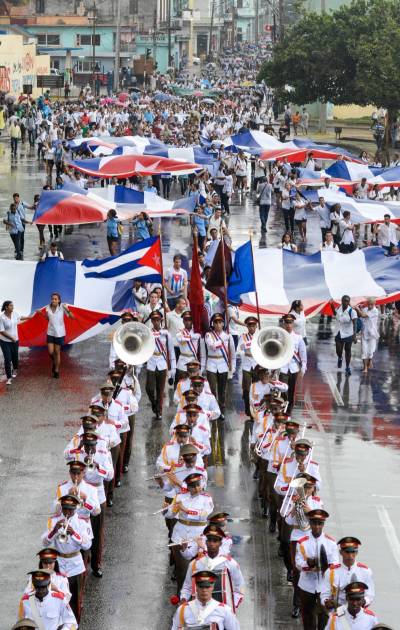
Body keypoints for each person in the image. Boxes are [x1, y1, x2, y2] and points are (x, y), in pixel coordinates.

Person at [41, 494, 91, 621]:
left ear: (75, 508)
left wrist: (74, 533)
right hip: (59, 564)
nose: (67, 512)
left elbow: (87, 545)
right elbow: (45, 543)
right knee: (58, 598)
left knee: (75, 599)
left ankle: (75, 624)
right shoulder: (54, 520)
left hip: (76, 565)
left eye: (70, 509)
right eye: (65, 509)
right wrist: (54, 531)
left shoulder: (82, 521)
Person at [295, 509, 339, 630]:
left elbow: (335, 564)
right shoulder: (302, 542)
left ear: (323, 524)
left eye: (320, 523)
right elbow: (298, 563)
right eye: (314, 523)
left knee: (324, 616)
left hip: (324, 586)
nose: (317, 526)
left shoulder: (331, 542)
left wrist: (326, 566)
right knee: (308, 615)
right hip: (307, 585)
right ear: (310, 523)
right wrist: (308, 564)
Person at [172, 570, 239, 629]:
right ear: (196, 587)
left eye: (207, 587)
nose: (204, 590)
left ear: (212, 587)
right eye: (201, 586)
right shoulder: (183, 610)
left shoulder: (225, 610)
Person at [321, 537, 375, 611]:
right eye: (347, 552)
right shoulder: (331, 572)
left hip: (358, 612)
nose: (350, 556)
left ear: (356, 552)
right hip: (337, 612)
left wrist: (363, 601)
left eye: (353, 552)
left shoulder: (365, 571)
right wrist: (327, 602)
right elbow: (324, 594)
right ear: (340, 552)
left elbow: (370, 595)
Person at [205, 312, 236, 420]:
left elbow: (232, 352)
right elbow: (212, 346)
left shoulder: (228, 336)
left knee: (222, 390)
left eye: (220, 322)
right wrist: (223, 340)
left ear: (223, 324)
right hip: (211, 364)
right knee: (212, 389)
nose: (218, 325)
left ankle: (221, 409)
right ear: (212, 324)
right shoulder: (208, 335)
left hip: (223, 364)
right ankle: (214, 411)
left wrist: (233, 366)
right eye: (216, 322)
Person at [145, 310, 176, 420]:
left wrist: (173, 369)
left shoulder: (166, 334)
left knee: (160, 389)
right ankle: (154, 404)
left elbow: (171, 351)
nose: (156, 322)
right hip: (151, 362)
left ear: (161, 320)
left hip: (162, 363)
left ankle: (159, 411)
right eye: (154, 320)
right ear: (152, 321)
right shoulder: (148, 333)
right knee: (149, 388)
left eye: (158, 320)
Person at [38, 292, 74, 378]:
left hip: (59, 333)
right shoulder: (47, 308)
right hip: (50, 332)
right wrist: (41, 313)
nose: (53, 300)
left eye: (55, 299)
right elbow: (48, 319)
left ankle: (56, 370)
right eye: (52, 299)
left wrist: (67, 309)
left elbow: (73, 317)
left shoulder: (62, 307)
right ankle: (54, 362)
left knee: (57, 352)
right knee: (50, 352)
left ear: (59, 300)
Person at [279, 314, 307, 412]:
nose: (288, 325)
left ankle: (288, 411)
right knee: (283, 390)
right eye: (287, 322)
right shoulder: (279, 336)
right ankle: (282, 410)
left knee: (292, 391)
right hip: (282, 368)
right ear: (284, 323)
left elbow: (303, 353)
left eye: (290, 322)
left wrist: (303, 368)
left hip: (294, 368)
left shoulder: (298, 338)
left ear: (293, 323)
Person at [0, 300, 30, 385]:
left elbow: (20, 317)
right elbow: (1, 331)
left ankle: (15, 369)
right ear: (6, 307)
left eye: (12, 306)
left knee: (15, 357)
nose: (13, 307)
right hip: (4, 341)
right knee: (7, 358)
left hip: (15, 340)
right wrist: (11, 337)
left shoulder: (14, 313)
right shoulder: (1, 317)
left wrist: (30, 317)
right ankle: (9, 377)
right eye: (11, 306)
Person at [237, 316, 258, 418]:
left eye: (253, 325)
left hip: (258, 365)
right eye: (250, 325)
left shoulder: (260, 336)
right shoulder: (243, 337)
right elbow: (239, 350)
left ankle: (256, 410)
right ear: (247, 326)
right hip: (247, 365)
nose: (252, 327)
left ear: (256, 326)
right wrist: (244, 348)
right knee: (247, 388)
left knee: (257, 389)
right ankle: (247, 409)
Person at [333, 295, 358, 376]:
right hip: (339, 332)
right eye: (344, 301)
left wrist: (354, 336)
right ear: (342, 301)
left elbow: (355, 324)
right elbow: (335, 314)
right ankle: (340, 358)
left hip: (348, 334)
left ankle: (347, 368)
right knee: (338, 350)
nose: (346, 302)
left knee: (348, 350)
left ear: (349, 302)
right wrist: (331, 305)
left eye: (347, 301)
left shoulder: (352, 311)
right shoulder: (339, 309)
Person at [357, 298, 379, 373]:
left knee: (370, 350)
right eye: (368, 304)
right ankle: (365, 368)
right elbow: (360, 316)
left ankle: (370, 360)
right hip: (364, 332)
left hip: (372, 333)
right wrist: (359, 308)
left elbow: (363, 315)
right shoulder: (365, 309)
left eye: (371, 304)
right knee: (364, 350)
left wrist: (358, 309)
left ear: (374, 304)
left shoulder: (375, 311)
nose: (369, 306)